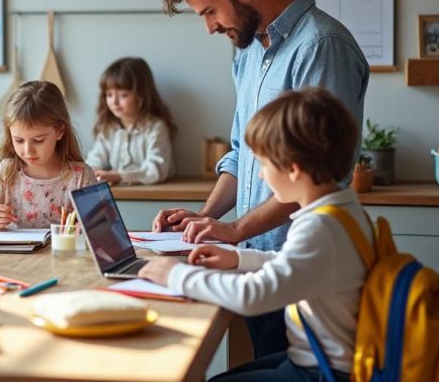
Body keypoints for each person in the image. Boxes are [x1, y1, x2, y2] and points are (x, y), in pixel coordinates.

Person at [152, 0, 369, 357]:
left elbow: (318, 172)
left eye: (210, 11)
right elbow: (240, 151)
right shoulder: (248, 50)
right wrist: (206, 218)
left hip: (301, 274)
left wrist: (233, 231)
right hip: (255, 259)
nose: (211, 26)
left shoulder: (321, 46)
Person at [140, 88, 369, 382]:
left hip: (324, 370)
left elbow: (252, 295)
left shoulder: (319, 228)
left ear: (294, 170)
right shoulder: (343, 210)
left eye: (263, 164)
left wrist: (174, 274)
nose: (260, 175)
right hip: (321, 358)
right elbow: (292, 263)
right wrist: (236, 258)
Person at [0, 80, 97, 230]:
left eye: (38, 140)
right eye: (19, 140)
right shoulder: (6, 172)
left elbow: (101, 228)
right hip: (14, 254)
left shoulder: (81, 177)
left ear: (60, 131)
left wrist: (88, 227)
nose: (28, 150)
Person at [86, 57, 176, 185]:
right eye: (109, 95)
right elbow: (94, 159)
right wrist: (93, 172)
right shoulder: (109, 128)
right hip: (119, 195)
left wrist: (117, 176)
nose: (114, 102)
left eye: (123, 95)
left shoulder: (156, 127)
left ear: (142, 95)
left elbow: (157, 169)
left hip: (151, 194)